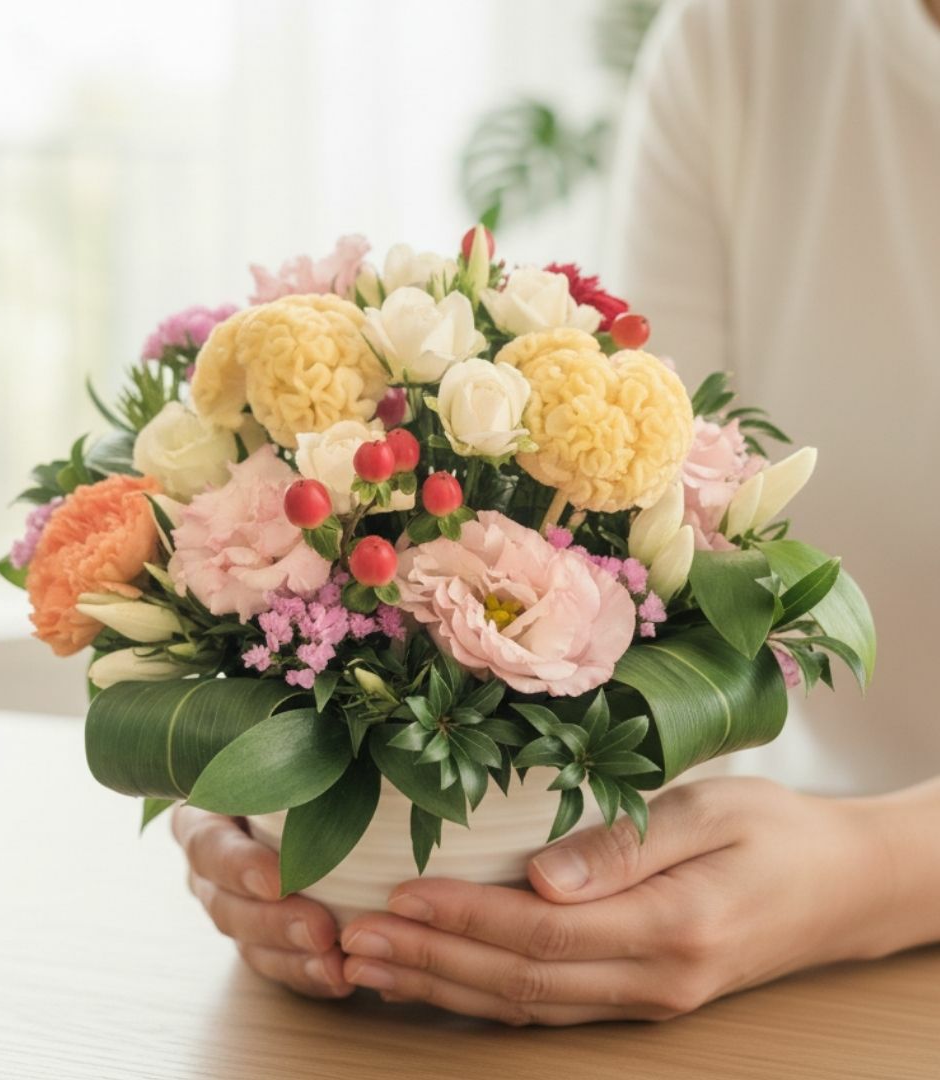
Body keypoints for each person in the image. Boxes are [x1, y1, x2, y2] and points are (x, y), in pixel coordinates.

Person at [172, 0, 940, 1025]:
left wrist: (877, 871)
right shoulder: (742, 32)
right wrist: (254, 775)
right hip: (779, 940)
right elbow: (660, 496)